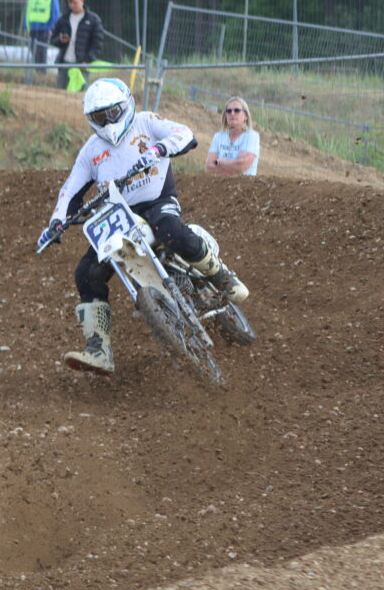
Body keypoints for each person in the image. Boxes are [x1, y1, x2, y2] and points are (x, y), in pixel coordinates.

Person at [35, 77, 249, 374]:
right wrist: (56, 221)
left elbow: (184, 134)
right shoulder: (91, 151)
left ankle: (222, 277)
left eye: (112, 113)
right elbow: (70, 189)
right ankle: (99, 349)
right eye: (99, 116)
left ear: (125, 105)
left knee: (170, 229)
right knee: (86, 273)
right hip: (118, 216)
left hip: (157, 200)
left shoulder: (146, 123)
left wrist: (160, 149)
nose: (108, 121)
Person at [49, 0, 103, 91]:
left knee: (81, 95)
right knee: (60, 94)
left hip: (82, 66)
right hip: (64, 64)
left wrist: (87, 60)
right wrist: (60, 40)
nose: (72, 6)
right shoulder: (63, 19)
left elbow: (97, 44)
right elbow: (53, 39)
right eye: (69, 3)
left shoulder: (93, 20)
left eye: (74, 2)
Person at [206, 96, 261, 176]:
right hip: (220, 183)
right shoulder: (218, 137)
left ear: (245, 115)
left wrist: (220, 162)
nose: (232, 113)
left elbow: (241, 166)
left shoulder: (252, 136)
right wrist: (233, 167)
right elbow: (209, 167)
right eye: (228, 111)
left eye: (237, 110)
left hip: (244, 183)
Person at [25, 0, 61, 84]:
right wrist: (26, 27)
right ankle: (38, 72)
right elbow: (28, 12)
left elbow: (55, 14)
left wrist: (52, 28)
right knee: (34, 50)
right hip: (33, 29)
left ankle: (43, 73)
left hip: (45, 29)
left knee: (42, 51)